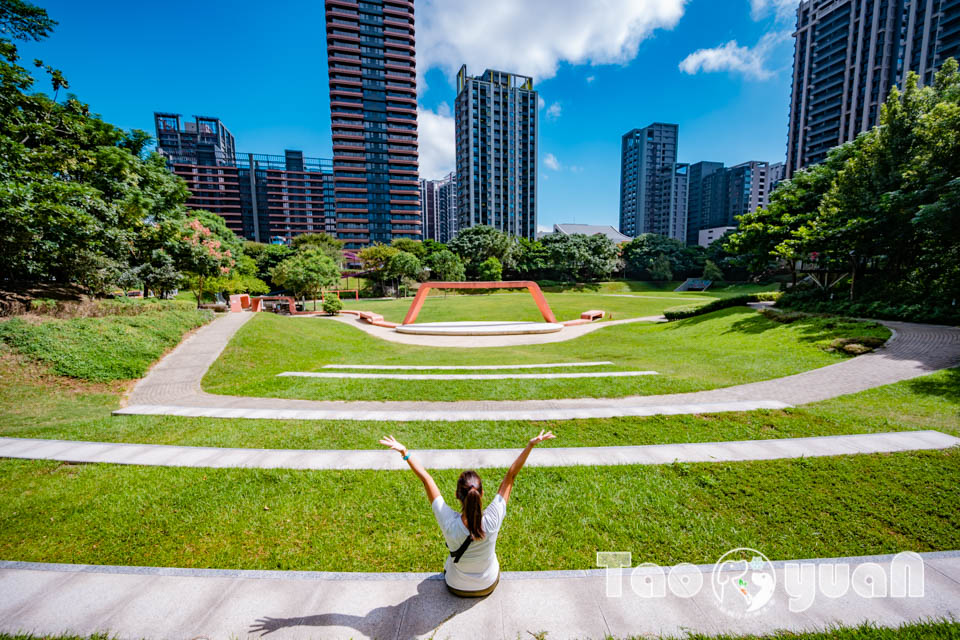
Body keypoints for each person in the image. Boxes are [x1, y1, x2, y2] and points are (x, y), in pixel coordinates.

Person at [379, 430, 556, 597]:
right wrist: (530, 445)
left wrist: (405, 453)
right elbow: (511, 475)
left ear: (457, 495)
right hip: (487, 585)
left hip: (456, 587)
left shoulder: (448, 521)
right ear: (482, 494)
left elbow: (426, 479)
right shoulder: (493, 518)